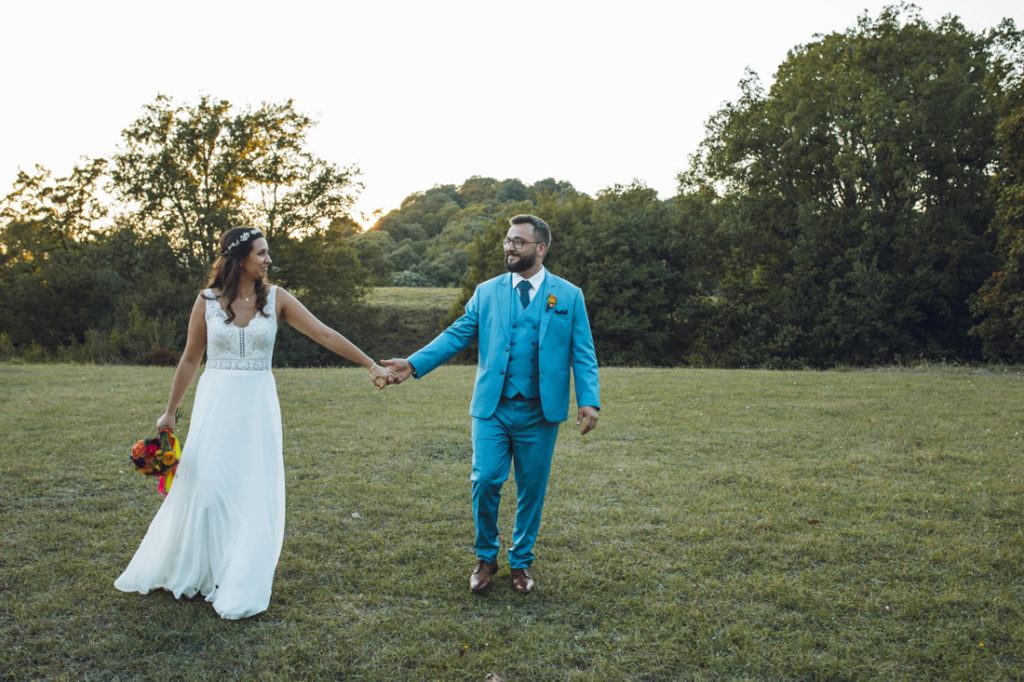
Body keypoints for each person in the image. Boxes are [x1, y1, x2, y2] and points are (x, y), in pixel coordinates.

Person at [115, 226, 391, 620]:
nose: (268, 260)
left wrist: (371, 364)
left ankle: (240, 576)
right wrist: (170, 410)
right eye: (261, 253)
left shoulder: (277, 298)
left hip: (258, 405)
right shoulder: (207, 301)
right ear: (239, 258)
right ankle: (204, 568)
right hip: (216, 403)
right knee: (207, 487)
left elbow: (323, 333)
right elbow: (191, 359)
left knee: (250, 490)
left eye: (267, 254)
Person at [382, 214, 600, 595]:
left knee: (533, 487)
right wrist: (413, 363)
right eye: (508, 241)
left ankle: (521, 563)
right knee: (485, 479)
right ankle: (485, 558)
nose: (510, 247)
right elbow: (456, 335)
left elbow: (582, 352)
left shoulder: (568, 295)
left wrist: (589, 401)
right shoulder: (486, 292)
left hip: (541, 410)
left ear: (540, 248)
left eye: (519, 242)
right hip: (493, 407)